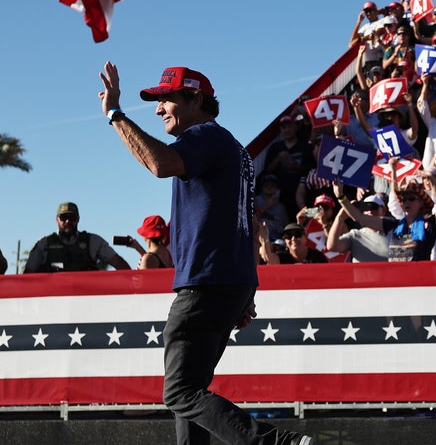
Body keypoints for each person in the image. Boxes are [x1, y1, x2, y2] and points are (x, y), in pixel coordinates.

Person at [98, 62, 313, 445]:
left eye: (166, 99)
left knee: (179, 392)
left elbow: (159, 163)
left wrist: (115, 115)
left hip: (206, 285)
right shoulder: (234, 150)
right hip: (227, 284)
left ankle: (279, 443)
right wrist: (247, 289)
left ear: (195, 99)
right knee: (191, 390)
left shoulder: (205, 137)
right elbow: (249, 224)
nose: (159, 108)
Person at [24, 201, 130, 273]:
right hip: (54, 300)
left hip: (86, 299)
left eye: (72, 217)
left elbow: (119, 263)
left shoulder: (93, 241)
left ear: (78, 219)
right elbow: (28, 274)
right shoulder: (44, 244)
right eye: (64, 217)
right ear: (57, 219)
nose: (68, 221)